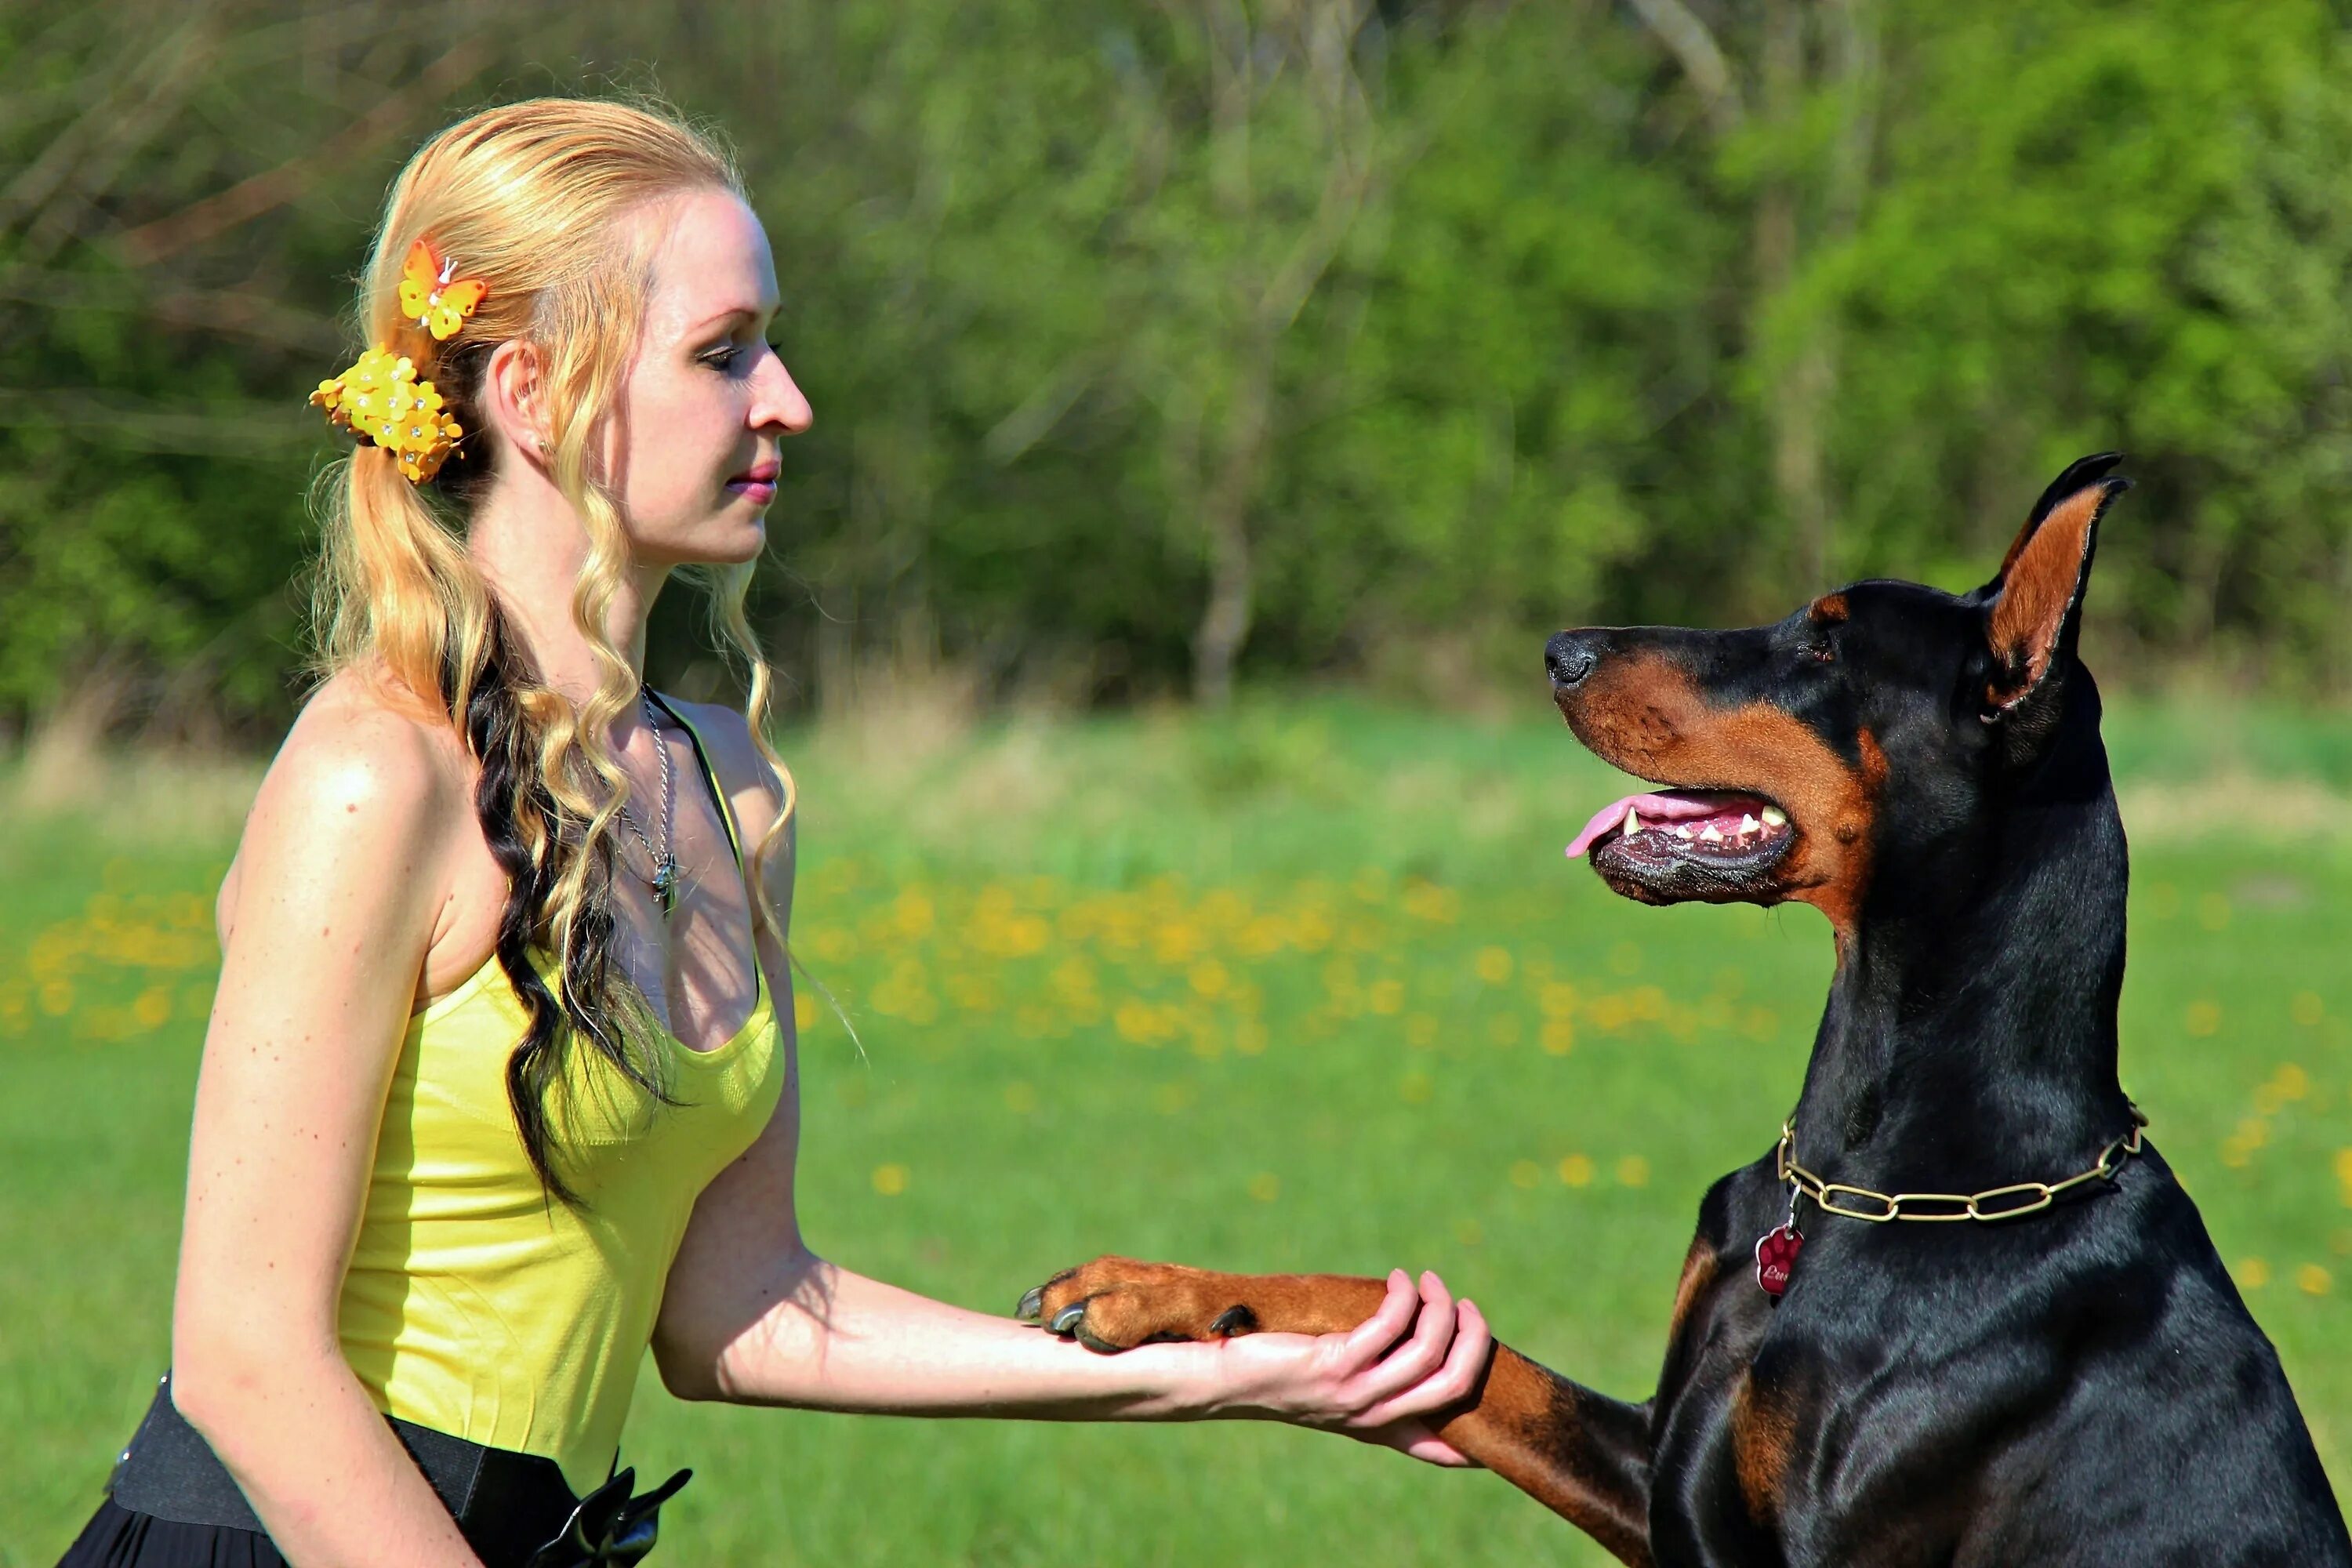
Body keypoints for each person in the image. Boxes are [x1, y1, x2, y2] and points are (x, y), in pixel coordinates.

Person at [59, 98, 1490, 1568]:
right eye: (723, 351)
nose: (788, 401)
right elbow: (246, 1357)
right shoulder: (376, 776)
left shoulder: (728, 788)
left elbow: (735, 1304)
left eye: (774, 345)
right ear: (534, 394)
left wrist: (1226, 1376)